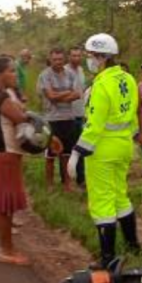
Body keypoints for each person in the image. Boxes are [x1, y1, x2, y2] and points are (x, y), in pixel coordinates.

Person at [67, 33, 142, 269]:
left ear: (100, 57)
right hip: (123, 146)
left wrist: (77, 153)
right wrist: (133, 138)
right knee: (120, 194)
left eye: (90, 55)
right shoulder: (128, 79)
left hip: (102, 149)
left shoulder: (101, 85)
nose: (88, 60)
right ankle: (133, 245)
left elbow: (94, 124)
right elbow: (132, 113)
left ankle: (107, 258)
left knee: (102, 201)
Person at [0, 57, 31, 266]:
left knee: (6, 205)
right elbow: (21, 118)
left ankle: (8, 248)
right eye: (11, 71)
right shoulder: (0, 97)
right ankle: (5, 250)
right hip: (4, 155)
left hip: (3, 154)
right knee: (4, 206)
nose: (15, 75)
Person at [37, 47, 82, 191]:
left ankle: (67, 185)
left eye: (60, 59)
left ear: (64, 59)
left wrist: (59, 95)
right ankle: (49, 185)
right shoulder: (45, 75)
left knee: (67, 155)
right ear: (50, 59)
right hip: (52, 120)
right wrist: (67, 93)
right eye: (55, 59)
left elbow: (77, 95)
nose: (57, 62)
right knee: (50, 155)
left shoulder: (70, 74)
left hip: (68, 118)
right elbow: (51, 97)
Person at [66, 46, 87, 187]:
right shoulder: (65, 72)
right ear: (69, 56)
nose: (76, 58)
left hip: (81, 114)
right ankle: (69, 180)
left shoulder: (81, 71)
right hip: (69, 115)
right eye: (74, 55)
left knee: (82, 147)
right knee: (71, 148)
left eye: (79, 56)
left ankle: (81, 178)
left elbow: (83, 91)